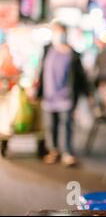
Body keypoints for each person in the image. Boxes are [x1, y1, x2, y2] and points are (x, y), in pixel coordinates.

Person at [37, 22, 90, 166]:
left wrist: (87, 94)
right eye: (56, 32)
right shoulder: (48, 49)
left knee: (66, 125)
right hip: (49, 97)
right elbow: (41, 71)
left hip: (66, 97)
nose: (58, 35)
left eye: (61, 32)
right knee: (50, 126)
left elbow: (81, 77)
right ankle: (53, 151)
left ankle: (67, 153)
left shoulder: (73, 54)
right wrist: (37, 89)